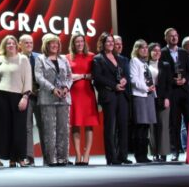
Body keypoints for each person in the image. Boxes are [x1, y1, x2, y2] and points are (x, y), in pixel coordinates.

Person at [92, 32, 131, 165]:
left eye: (112, 42)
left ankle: (123, 155)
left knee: (123, 126)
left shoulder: (119, 58)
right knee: (110, 127)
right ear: (102, 44)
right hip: (109, 95)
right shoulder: (98, 59)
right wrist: (114, 85)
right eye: (108, 42)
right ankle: (111, 157)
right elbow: (98, 78)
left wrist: (125, 80)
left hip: (122, 95)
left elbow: (124, 73)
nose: (110, 44)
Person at [35, 34, 73, 166]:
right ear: (46, 45)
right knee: (49, 130)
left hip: (64, 98)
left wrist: (67, 88)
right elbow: (39, 77)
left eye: (56, 43)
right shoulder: (40, 59)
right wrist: (52, 89)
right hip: (48, 98)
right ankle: (51, 159)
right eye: (52, 43)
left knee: (63, 129)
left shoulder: (64, 59)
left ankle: (63, 158)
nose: (55, 45)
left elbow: (69, 76)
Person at [0, 35, 32, 167]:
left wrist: (25, 97)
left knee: (19, 129)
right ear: (4, 46)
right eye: (7, 43)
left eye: (12, 43)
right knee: (6, 129)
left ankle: (21, 158)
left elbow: (28, 79)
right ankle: (11, 159)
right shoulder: (0, 59)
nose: (10, 45)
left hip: (18, 96)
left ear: (17, 45)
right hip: (2, 96)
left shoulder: (23, 59)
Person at [160, 27, 189, 161]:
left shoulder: (183, 52)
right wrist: (171, 80)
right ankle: (175, 151)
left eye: (175, 35)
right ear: (166, 38)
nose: (174, 38)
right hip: (172, 91)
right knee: (174, 123)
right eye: (171, 36)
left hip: (184, 91)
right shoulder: (162, 52)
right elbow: (161, 72)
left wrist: (185, 79)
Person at [67, 33, 98, 165]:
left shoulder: (92, 56)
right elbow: (68, 76)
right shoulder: (67, 57)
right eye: (77, 42)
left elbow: (95, 75)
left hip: (87, 93)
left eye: (81, 41)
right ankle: (78, 155)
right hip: (73, 93)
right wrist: (80, 76)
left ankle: (86, 155)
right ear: (73, 44)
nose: (79, 44)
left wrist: (82, 76)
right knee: (75, 124)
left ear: (84, 43)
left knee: (88, 125)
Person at [129, 40, 156, 164]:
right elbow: (133, 79)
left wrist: (152, 89)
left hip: (148, 96)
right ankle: (139, 155)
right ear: (136, 49)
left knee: (146, 127)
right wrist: (146, 88)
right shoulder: (134, 61)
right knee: (140, 127)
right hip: (140, 96)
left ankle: (144, 155)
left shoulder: (145, 63)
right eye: (142, 48)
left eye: (146, 48)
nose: (145, 50)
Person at [19, 34, 44, 166]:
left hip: (41, 97)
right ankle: (30, 157)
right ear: (20, 45)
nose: (29, 45)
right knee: (27, 127)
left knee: (43, 126)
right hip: (25, 97)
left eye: (31, 43)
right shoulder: (17, 59)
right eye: (26, 43)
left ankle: (48, 156)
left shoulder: (39, 57)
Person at [148, 42, 172, 161]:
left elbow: (169, 84)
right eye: (154, 51)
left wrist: (167, 98)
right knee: (152, 126)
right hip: (149, 96)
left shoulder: (165, 65)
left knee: (163, 125)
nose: (157, 53)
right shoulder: (145, 64)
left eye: (159, 51)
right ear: (149, 52)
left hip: (163, 97)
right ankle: (154, 153)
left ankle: (163, 153)